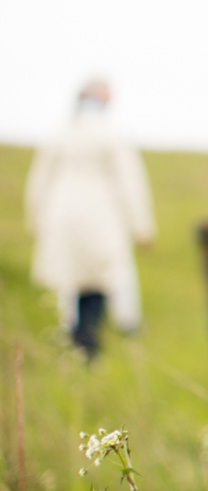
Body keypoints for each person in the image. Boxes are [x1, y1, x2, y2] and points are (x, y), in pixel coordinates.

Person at [24, 79, 155, 358]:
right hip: (102, 213)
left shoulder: (60, 133)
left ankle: (76, 340)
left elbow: (39, 180)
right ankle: (89, 343)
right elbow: (130, 181)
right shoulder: (112, 134)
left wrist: (35, 217)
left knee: (71, 278)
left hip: (60, 212)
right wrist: (141, 226)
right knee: (99, 277)